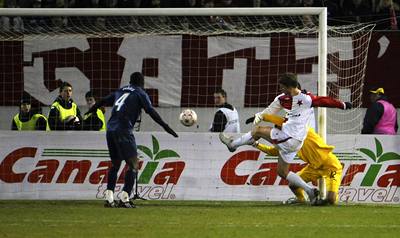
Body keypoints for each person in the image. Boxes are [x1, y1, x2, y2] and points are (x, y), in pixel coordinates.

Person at [219, 73, 352, 204]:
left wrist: (342, 105)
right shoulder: (283, 99)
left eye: (282, 87)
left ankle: (233, 145)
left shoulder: (305, 99)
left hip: (290, 138)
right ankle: (310, 191)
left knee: (258, 130)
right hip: (296, 143)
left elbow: (325, 100)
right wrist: (260, 115)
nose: (280, 89)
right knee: (282, 172)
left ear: (290, 87)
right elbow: (271, 111)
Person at [86, 72, 178, 208]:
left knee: (116, 164)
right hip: (123, 130)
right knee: (134, 164)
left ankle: (109, 197)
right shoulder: (140, 93)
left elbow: (103, 100)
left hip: (110, 130)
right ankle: (125, 197)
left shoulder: (121, 90)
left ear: (130, 81)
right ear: (142, 82)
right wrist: (166, 127)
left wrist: (91, 110)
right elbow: (151, 111)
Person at [251, 114, 342, 205]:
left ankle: (329, 199)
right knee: (293, 184)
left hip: (330, 166)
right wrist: (256, 144)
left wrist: (262, 116)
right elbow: (273, 152)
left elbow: (283, 121)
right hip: (314, 168)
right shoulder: (288, 142)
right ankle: (301, 199)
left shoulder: (303, 130)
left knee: (331, 200)